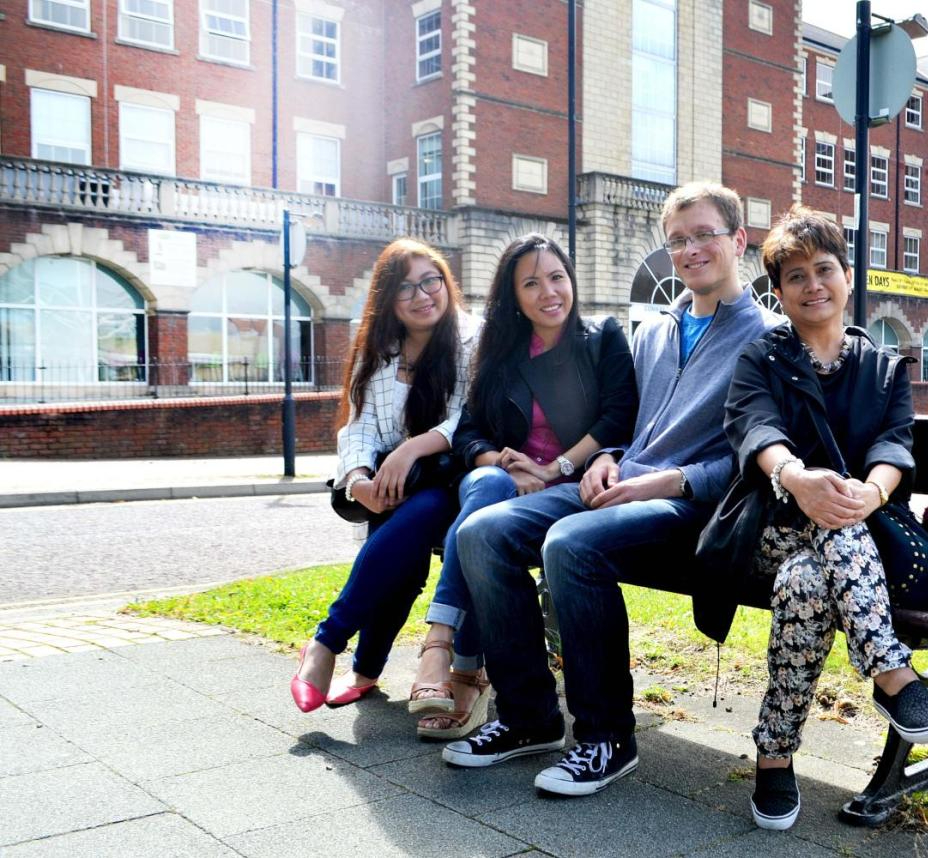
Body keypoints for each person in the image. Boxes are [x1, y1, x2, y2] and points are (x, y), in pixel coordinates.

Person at [440, 182, 780, 795]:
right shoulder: (654, 330)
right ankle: (528, 718)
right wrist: (610, 458)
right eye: (677, 240)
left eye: (704, 234)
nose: (690, 249)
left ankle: (606, 739)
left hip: (692, 505)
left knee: (570, 545)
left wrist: (668, 480)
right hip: (621, 487)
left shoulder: (769, 339)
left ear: (739, 239)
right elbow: (627, 424)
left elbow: (762, 456)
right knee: (482, 532)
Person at [706, 206, 928, 830]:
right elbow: (753, 425)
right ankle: (893, 676)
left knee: (807, 583)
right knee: (825, 517)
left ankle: (774, 755)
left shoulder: (881, 367)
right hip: (768, 527)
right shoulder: (761, 355)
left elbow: (895, 447)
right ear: (780, 292)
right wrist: (797, 478)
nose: (812, 284)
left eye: (824, 270)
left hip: (849, 541)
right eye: (795, 276)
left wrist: (869, 495)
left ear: (848, 278)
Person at [408, 234, 638, 740]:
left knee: (482, 532)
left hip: (575, 482)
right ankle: (507, 697)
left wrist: (554, 468)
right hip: (511, 483)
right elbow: (468, 430)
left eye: (556, 277)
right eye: (530, 283)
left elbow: (619, 416)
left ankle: (450, 652)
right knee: (484, 509)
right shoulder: (501, 352)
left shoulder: (601, 337)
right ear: (513, 296)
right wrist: (504, 461)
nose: (548, 292)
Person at [290, 238, 479, 713]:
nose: (422, 295)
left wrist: (412, 448)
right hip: (394, 488)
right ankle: (363, 671)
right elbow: (357, 427)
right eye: (405, 288)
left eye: (430, 280)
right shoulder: (377, 351)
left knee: (421, 515)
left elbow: (469, 416)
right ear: (388, 300)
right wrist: (358, 480)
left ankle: (327, 643)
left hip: (454, 480)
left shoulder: (472, 340)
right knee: (402, 556)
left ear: (446, 283)